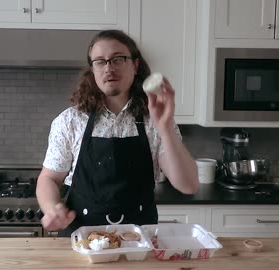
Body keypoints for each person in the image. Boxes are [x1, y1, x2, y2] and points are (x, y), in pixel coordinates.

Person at [36, 29, 198, 235]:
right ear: (92, 70)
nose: (108, 68)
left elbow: (189, 185)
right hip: (81, 241)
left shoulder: (155, 120)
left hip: (139, 243)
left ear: (135, 65)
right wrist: (52, 208)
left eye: (117, 59)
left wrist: (165, 128)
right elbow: (49, 178)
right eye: (100, 61)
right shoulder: (69, 121)